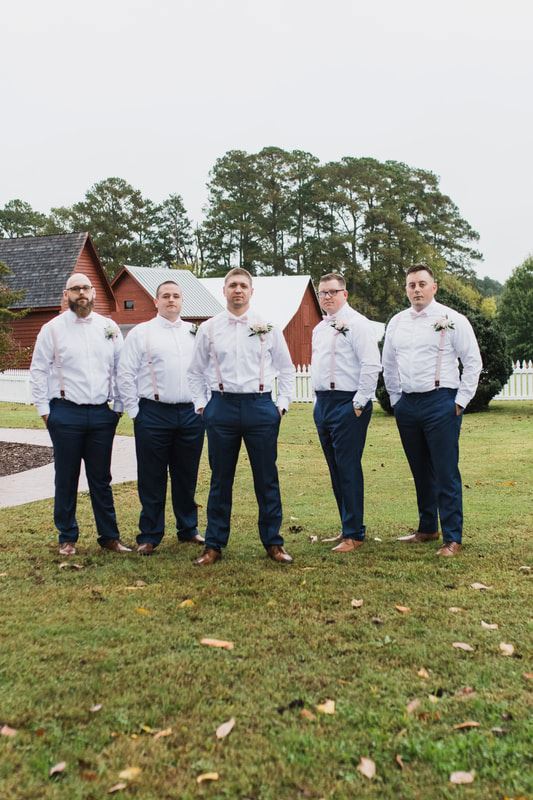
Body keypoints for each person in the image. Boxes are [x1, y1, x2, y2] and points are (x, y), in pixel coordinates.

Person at [187, 268, 295, 566]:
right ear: (224, 290)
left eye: (243, 286)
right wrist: (202, 406)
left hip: (260, 407)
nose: (238, 290)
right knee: (220, 479)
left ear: (251, 291)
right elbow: (195, 371)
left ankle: (273, 542)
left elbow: (286, 369)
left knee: (266, 478)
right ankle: (214, 545)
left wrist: (281, 405)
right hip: (221, 407)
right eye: (233, 285)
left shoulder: (268, 327)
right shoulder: (209, 328)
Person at [382, 264, 482, 556]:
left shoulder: (452, 319)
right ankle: (427, 528)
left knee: (445, 470)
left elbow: (472, 361)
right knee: (420, 469)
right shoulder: (397, 322)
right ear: (406, 289)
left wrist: (461, 400)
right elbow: (388, 363)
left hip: (441, 401)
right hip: (408, 404)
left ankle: (452, 537)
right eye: (411, 285)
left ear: (433, 287)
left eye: (422, 284)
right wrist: (396, 399)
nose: (416, 289)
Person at [29, 273, 131, 556]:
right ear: (66, 295)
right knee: (66, 477)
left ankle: (109, 537)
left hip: (101, 414)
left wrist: (118, 408)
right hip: (65, 413)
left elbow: (120, 370)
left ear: (94, 292)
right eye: (75, 289)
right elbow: (38, 370)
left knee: (101, 478)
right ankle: (67, 537)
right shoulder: (52, 329)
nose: (81, 293)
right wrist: (45, 412)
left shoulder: (108, 327)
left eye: (86, 288)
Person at [117, 281, 205, 555]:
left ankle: (188, 528)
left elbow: (206, 370)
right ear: (156, 301)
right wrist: (135, 412)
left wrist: (203, 405)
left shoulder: (195, 332)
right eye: (165, 296)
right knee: (151, 476)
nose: (171, 300)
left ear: (182, 301)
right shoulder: (141, 333)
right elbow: (125, 373)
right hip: (153, 412)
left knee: (186, 474)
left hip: (190, 413)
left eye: (176, 296)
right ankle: (150, 534)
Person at [311, 273, 382, 553]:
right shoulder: (319, 328)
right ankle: (345, 526)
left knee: (348, 467)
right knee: (334, 468)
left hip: (348, 403)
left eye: (332, 291)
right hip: (323, 404)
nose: (327, 297)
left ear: (345, 294)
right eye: (322, 293)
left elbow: (371, 364)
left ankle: (355, 533)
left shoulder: (358, 324)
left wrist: (359, 403)